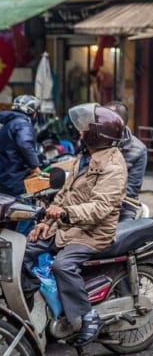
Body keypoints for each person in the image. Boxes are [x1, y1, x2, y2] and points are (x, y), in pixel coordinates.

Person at [22, 103, 127, 347]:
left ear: (96, 134)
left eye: (83, 130)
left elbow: (100, 208)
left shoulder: (112, 166)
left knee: (63, 265)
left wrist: (65, 213)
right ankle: (34, 304)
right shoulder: (85, 157)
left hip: (93, 232)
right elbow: (64, 196)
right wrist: (46, 222)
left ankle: (89, 317)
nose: (79, 133)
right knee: (25, 249)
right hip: (69, 226)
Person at [104, 101, 147, 221]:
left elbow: (131, 191)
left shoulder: (138, 150)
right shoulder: (94, 140)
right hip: (90, 204)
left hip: (122, 208)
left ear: (118, 124)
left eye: (104, 119)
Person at [0, 95, 42, 197]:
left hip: (5, 175)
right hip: (15, 179)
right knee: (24, 208)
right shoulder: (23, 123)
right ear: (34, 113)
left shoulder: (9, 122)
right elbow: (25, 144)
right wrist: (35, 167)